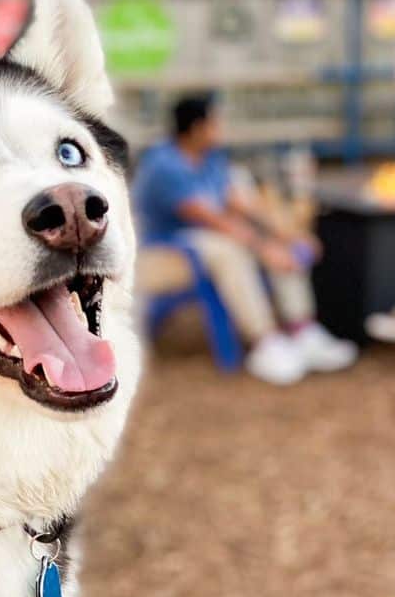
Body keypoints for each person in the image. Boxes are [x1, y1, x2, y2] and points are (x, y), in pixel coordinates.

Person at [133, 92, 358, 385]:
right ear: (197, 128)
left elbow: (241, 203)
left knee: (270, 246)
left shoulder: (210, 157)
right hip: (161, 256)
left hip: (202, 242)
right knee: (230, 248)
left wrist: (289, 236)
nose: (222, 129)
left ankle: (301, 328)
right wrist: (264, 248)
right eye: (217, 123)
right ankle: (263, 341)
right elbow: (209, 219)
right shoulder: (164, 165)